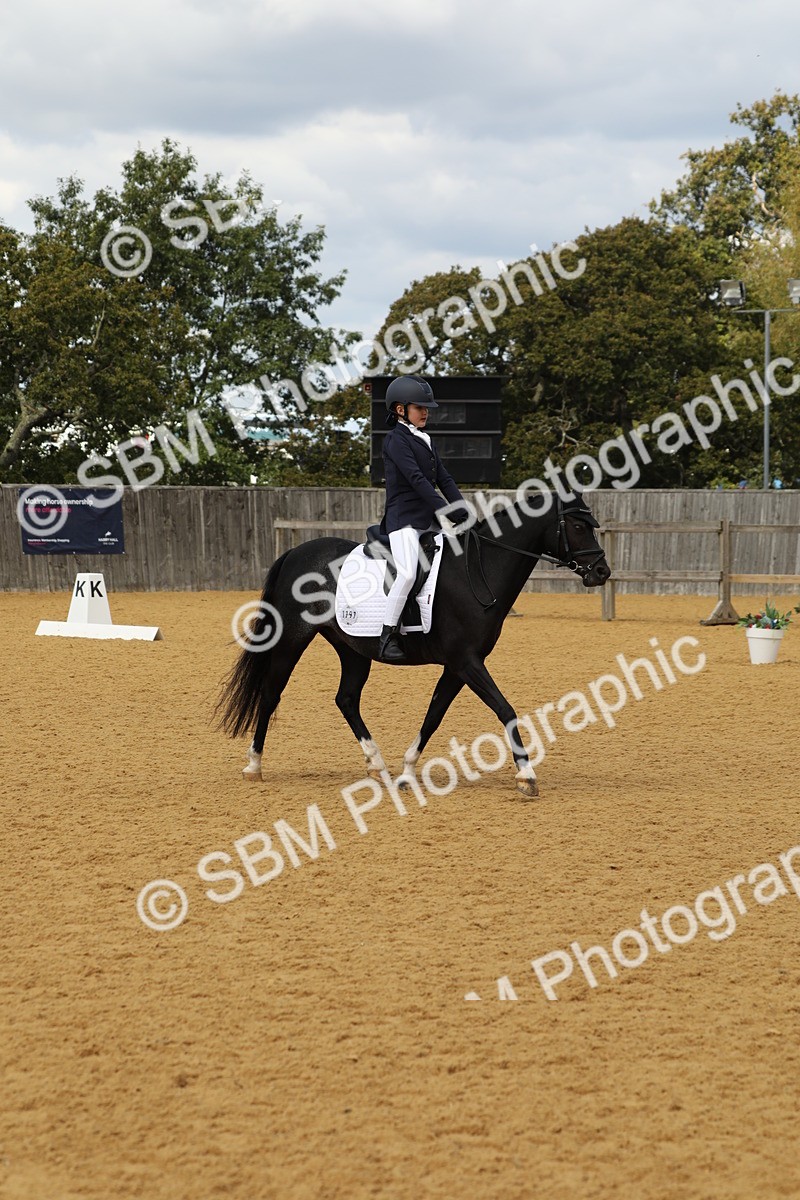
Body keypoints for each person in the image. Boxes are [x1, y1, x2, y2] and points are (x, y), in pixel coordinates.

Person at [377, 375, 467, 663]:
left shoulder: (424, 439)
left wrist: (462, 507)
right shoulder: (395, 441)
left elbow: (443, 477)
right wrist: (445, 509)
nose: (425, 412)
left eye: (427, 407)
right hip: (403, 520)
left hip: (428, 521)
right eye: (419, 407)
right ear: (401, 409)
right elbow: (417, 480)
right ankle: (387, 635)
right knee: (407, 573)